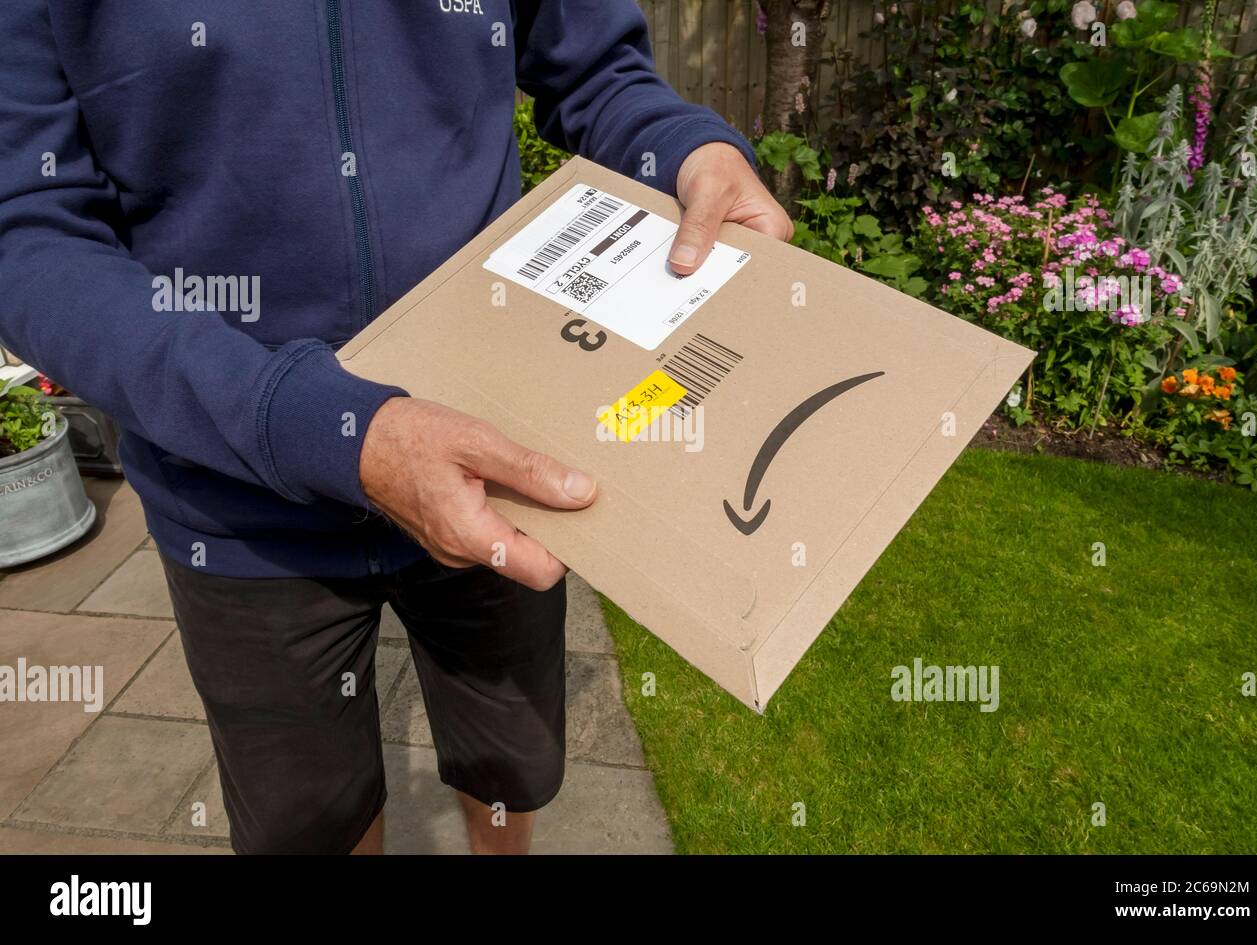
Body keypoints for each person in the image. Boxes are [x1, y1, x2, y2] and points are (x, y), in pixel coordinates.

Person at [0, 1, 791, 854]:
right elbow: (29, 235)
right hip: (235, 506)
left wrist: (684, 144)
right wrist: (314, 424)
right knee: (313, 824)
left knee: (510, 769)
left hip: (498, 447)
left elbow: (593, 63)